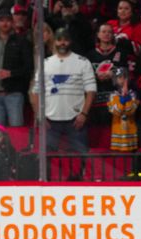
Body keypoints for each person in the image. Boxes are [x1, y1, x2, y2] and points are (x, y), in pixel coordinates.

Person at [32, 27, 97, 156]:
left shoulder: (83, 62)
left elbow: (91, 91)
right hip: (50, 121)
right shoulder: (45, 63)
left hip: (76, 120)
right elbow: (36, 92)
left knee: (80, 158)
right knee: (48, 160)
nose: (62, 43)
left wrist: (84, 114)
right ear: (54, 41)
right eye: (59, 40)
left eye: (66, 40)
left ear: (71, 41)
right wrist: (40, 115)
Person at [0, 10, 33, 128]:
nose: (5, 24)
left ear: (12, 22)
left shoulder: (22, 42)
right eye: (2, 20)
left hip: (14, 93)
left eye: (8, 20)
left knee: (16, 129)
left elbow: (28, 67)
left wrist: (11, 73)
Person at [107, 67, 139, 152]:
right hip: (118, 132)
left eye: (125, 77)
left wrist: (127, 98)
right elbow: (116, 111)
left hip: (130, 133)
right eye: (120, 77)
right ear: (115, 79)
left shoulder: (133, 94)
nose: (122, 80)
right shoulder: (112, 95)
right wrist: (121, 101)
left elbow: (131, 110)